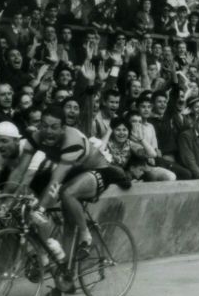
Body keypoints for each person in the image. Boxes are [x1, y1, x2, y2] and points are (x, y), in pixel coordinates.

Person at [21, 106, 131, 261]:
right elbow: (20, 171)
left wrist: (41, 209)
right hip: (75, 171)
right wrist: (6, 200)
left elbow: (57, 179)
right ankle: (63, 270)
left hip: (98, 169)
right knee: (41, 196)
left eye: (54, 127)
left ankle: (85, 235)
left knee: (67, 193)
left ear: (63, 128)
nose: (48, 132)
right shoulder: (37, 136)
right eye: (44, 126)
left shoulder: (72, 140)